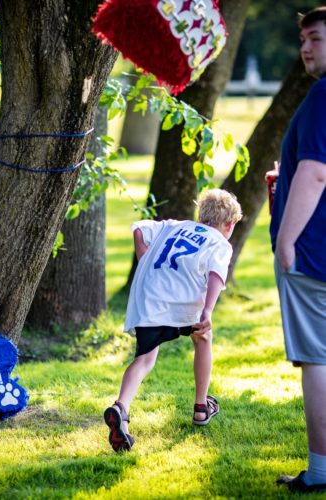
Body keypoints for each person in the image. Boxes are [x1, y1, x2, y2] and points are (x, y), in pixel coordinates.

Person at [103, 189, 242, 452]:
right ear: (230, 225)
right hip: (183, 299)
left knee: (144, 358)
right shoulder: (220, 243)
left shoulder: (173, 226)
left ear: (200, 214)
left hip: (150, 296)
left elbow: (140, 230)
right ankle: (201, 406)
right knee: (202, 338)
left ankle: (121, 407)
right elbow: (215, 276)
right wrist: (208, 311)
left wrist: (144, 258)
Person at [272, 7, 326, 494]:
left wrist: (286, 240)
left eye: (315, 38)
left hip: (313, 254)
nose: (305, 48)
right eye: (303, 39)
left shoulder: (324, 95)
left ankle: (322, 471)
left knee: (317, 359)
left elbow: (316, 172)